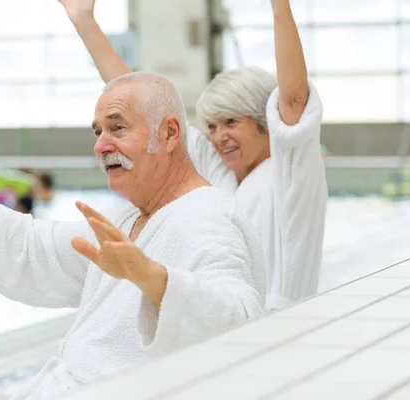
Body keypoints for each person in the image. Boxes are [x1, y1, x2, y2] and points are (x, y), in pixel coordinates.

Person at [0, 71, 266, 399]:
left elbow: (241, 318)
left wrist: (154, 279)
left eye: (117, 128)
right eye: (97, 132)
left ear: (169, 134)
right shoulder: (130, 220)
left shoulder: (209, 218)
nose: (101, 145)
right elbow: (32, 248)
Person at [60, 0, 328, 311]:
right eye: (212, 126)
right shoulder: (220, 177)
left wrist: (280, 8)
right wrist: (85, 23)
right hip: (223, 320)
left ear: (266, 123)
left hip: (282, 326)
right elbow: (140, 107)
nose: (219, 137)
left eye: (231, 122)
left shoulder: (291, 174)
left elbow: (294, 98)